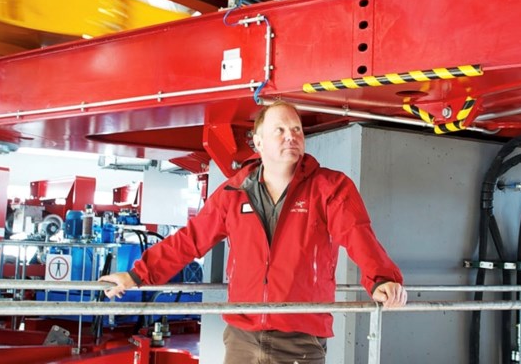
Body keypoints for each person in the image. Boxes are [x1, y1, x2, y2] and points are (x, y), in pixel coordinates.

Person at [99, 99, 407, 363]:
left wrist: (381, 279)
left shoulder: (329, 188)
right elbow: (191, 240)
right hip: (242, 337)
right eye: (281, 130)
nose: (292, 136)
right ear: (258, 142)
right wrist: (137, 275)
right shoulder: (233, 193)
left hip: (300, 338)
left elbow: (356, 234)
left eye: (297, 129)